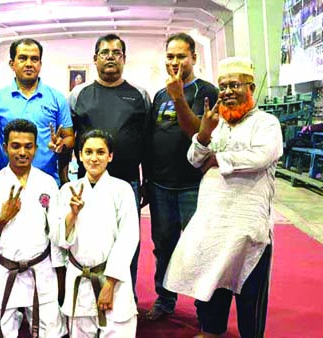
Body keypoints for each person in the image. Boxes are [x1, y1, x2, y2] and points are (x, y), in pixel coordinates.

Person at [163, 57, 282, 338]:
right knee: (212, 281)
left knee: (249, 289)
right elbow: (194, 160)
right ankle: (211, 330)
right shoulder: (217, 123)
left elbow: (262, 156)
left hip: (248, 226)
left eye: (234, 85)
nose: (227, 91)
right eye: (223, 86)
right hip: (215, 224)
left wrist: (218, 158)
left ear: (250, 87)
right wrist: (203, 135)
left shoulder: (266, 123)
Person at [68, 33, 151, 295]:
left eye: (117, 53)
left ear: (124, 59)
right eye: (105, 52)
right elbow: (71, 138)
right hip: (87, 185)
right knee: (89, 240)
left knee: (127, 243)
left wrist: (145, 180)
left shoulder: (139, 95)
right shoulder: (78, 95)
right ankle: (86, 294)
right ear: (95, 59)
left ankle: (126, 295)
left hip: (128, 182)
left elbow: (148, 141)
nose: (111, 57)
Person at [0, 119, 66, 338]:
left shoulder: (47, 183)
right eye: (16, 146)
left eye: (28, 146)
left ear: (36, 148)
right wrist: (1, 220)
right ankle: (13, 318)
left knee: (53, 332)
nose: (22, 152)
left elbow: (57, 234)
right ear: (5, 147)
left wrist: (60, 275)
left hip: (40, 269)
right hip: (5, 269)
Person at [144, 32, 219, 321]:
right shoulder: (160, 95)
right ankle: (164, 300)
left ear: (193, 58)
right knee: (163, 246)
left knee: (200, 248)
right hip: (162, 187)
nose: (175, 62)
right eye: (170, 56)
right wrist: (148, 181)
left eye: (181, 56)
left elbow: (199, 135)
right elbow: (152, 141)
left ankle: (204, 309)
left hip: (194, 186)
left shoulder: (207, 92)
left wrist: (179, 97)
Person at [56, 129, 139, 337]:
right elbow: (60, 240)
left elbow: (129, 237)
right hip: (79, 277)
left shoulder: (122, 190)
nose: (94, 158)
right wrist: (72, 215)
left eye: (101, 152)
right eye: (88, 152)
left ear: (110, 156)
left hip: (114, 280)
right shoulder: (67, 191)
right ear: (80, 156)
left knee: (118, 329)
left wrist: (110, 283)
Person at [0, 38, 74, 185]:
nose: (29, 64)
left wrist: (61, 145)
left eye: (34, 59)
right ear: (12, 64)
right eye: (22, 58)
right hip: (6, 183)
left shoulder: (57, 98)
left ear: (40, 64)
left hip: (47, 183)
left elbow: (70, 137)